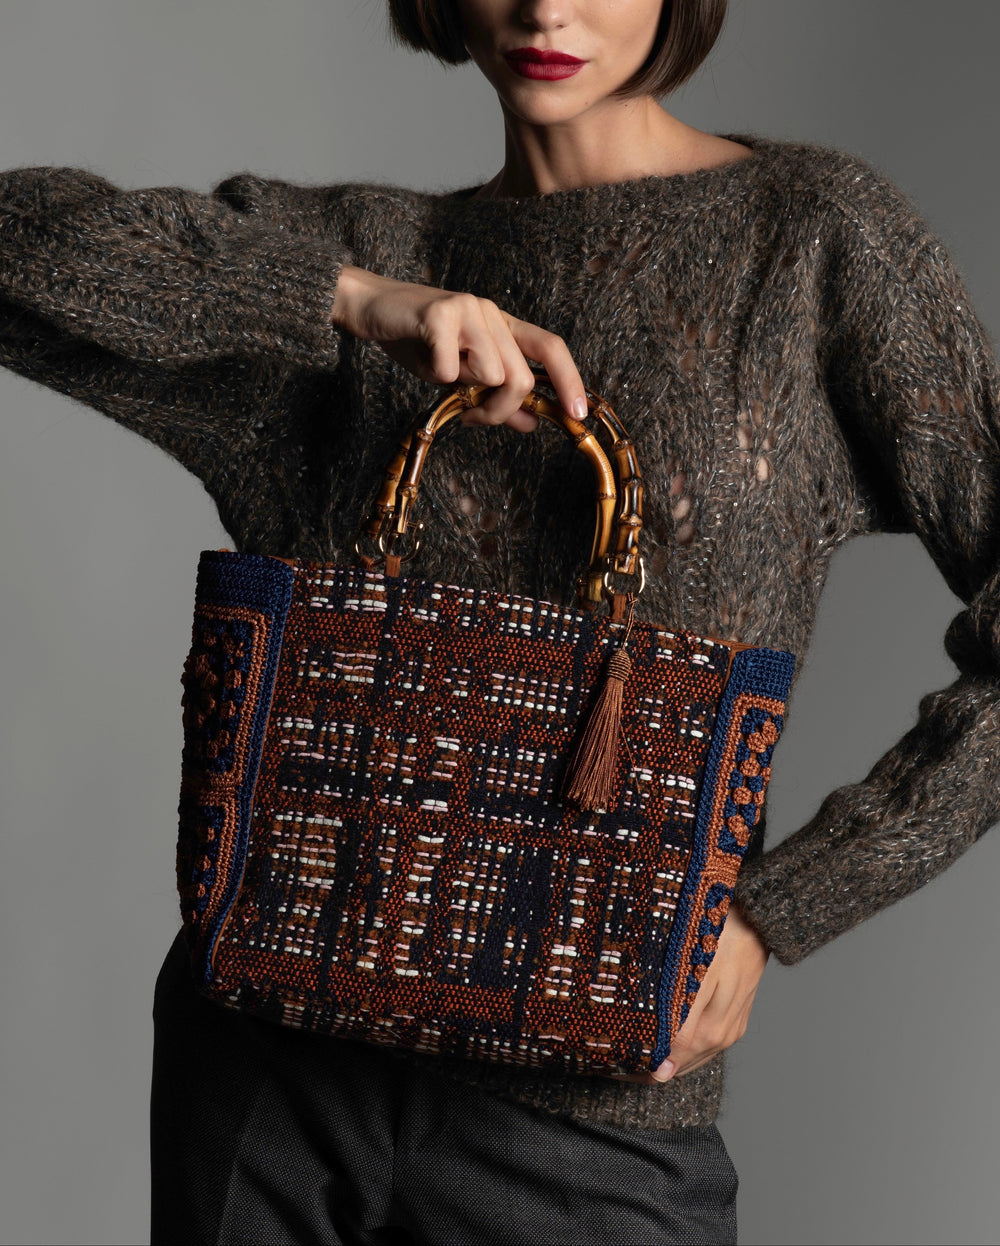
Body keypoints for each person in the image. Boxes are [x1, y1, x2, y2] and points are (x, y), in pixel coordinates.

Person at [1, 0, 998, 1242]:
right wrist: (352, 299)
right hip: (266, 1079)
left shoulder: (810, 243)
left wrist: (780, 906)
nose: (544, 5)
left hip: (588, 1126)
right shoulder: (364, 247)